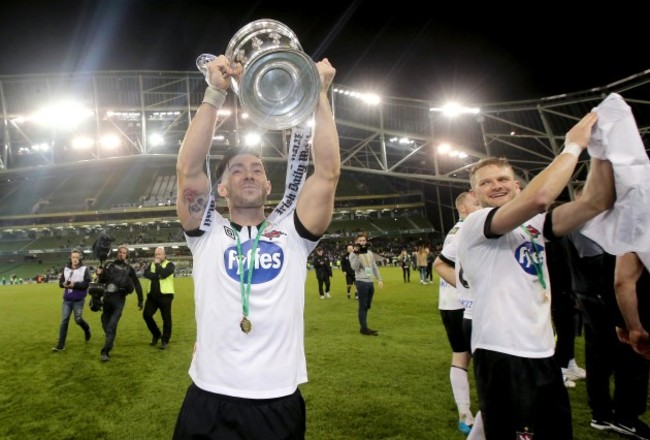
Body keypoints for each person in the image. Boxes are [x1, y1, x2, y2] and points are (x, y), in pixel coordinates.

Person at [173, 54, 339, 439]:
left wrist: (319, 94)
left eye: (258, 169)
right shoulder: (206, 231)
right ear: (222, 189)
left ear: (268, 186)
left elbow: (327, 173)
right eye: (236, 169)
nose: (248, 173)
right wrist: (215, 92)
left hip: (276, 399)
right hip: (208, 397)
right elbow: (188, 170)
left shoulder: (293, 234)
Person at [454, 111, 616, 439]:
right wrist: (572, 146)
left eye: (501, 179)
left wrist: (599, 151)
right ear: (475, 195)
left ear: (516, 185)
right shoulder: (476, 224)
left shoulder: (536, 225)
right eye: (485, 183)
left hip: (543, 350)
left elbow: (596, 202)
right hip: (502, 352)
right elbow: (540, 197)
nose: (495, 186)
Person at [562, 224, 650, 438]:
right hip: (605, 298)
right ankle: (624, 417)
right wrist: (630, 322)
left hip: (591, 296)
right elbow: (614, 276)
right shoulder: (623, 227)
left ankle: (602, 414)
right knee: (629, 359)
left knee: (599, 358)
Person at [432, 191, 480, 434]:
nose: (481, 204)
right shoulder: (467, 229)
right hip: (464, 303)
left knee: (461, 356)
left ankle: (465, 413)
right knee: (478, 358)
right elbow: (444, 265)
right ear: (462, 208)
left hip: (450, 303)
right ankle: (472, 414)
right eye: (476, 202)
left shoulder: (456, 229)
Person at [96, 244, 143, 362]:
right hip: (107, 299)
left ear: (127, 255)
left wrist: (140, 299)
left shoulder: (129, 269)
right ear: (117, 253)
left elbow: (136, 284)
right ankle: (110, 340)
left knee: (111, 326)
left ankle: (105, 351)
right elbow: (102, 281)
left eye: (124, 253)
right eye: (120, 252)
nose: (121, 254)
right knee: (105, 323)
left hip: (119, 300)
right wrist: (99, 274)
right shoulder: (109, 265)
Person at [52, 249, 92, 352]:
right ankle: (61, 345)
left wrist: (75, 285)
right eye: (73, 257)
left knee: (78, 320)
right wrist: (63, 284)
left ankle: (87, 329)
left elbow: (87, 284)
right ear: (70, 257)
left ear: (80, 258)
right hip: (67, 300)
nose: (75, 259)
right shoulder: (66, 268)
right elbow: (61, 283)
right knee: (64, 320)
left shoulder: (84, 269)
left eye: (77, 257)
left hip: (79, 300)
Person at [349, 232, 383, 335]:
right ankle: (363, 328)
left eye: (363, 240)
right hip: (361, 281)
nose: (362, 242)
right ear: (356, 242)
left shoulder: (369, 253)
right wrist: (357, 255)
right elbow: (354, 268)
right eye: (360, 241)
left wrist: (379, 279)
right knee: (363, 306)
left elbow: (373, 266)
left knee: (367, 305)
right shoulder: (353, 254)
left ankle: (363, 324)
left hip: (370, 281)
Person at [142, 246, 176, 349]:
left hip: (165, 296)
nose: (157, 256)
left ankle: (165, 340)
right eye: (156, 254)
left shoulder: (170, 265)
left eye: (159, 254)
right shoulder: (151, 264)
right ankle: (157, 334)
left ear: (164, 255)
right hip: (152, 296)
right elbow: (146, 274)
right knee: (146, 315)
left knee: (166, 319)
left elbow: (164, 274)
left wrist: (157, 265)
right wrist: (157, 275)